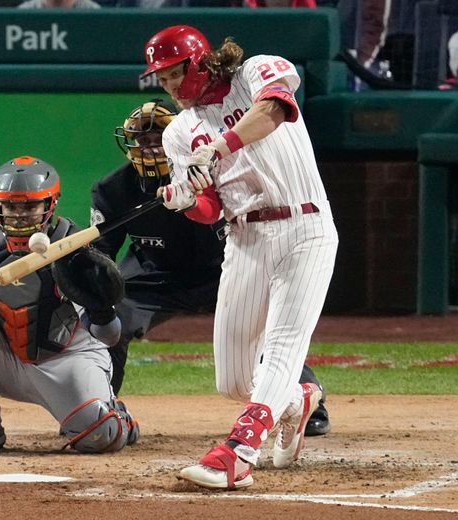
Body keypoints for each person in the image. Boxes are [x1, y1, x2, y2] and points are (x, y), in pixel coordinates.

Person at [140, 25, 339, 489]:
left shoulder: (256, 71)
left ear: (199, 62)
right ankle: (297, 399)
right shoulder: (179, 134)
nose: (168, 86)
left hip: (305, 226)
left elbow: (273, 111)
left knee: (284, 345)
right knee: (232, 380)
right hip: (244, 238)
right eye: (161, 79)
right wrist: (185, 199)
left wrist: (221, 145)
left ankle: (237, 453)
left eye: (174, 74)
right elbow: (210, 207)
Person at [91, 98, 331, 437]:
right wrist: (93, 292)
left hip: (225, 269)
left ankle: (307, 404)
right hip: (157, 275)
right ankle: (99, 410)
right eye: (142, 140)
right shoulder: (113, 191)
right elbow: (101, 254)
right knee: (109, 323)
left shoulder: (214, 174)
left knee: (264, 330)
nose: (150, 147)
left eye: (158, 138)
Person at [0, 156, 138, 454]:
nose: (19, 216)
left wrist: (101, 310)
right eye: (11, 206)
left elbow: (109, 337)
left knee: (100, 437)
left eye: (29, 207)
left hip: (66, 358)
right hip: (7, 356)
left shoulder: (75, 250)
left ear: (49, 205)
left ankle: (115, 414)